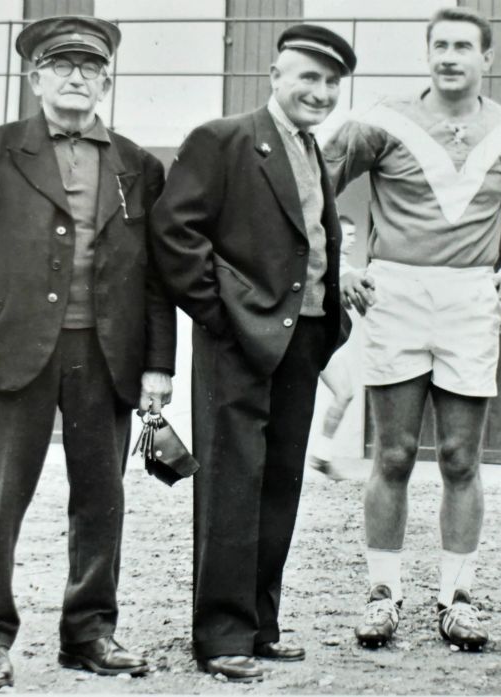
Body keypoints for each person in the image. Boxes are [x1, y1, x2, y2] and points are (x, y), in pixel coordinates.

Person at [0, 15, 175, 689]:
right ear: (34, 76)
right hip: (10, 350)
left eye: (91, 67)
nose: (77, 76)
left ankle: (90, 631)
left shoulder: (138, 163)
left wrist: (159, 364)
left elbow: (155, 276)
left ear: (107, 78)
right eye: (62, 64)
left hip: (109, 355)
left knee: (102, 499)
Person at [323, 5, 501, 652]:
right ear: (427, 53)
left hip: (469, 299)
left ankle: (458, 598)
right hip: (395, 290)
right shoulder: (382, 119)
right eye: (440, 45)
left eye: (463, 47)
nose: (450, 56)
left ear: (487, 58)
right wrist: (344, 262)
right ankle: (382, 594)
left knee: (460, 456)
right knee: (391, 454)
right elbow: (314, 184)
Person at [149, 24, 356, 682]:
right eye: (307, 78)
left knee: (279, 486)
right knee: (232, 488)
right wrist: (225, 316)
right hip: (239, 343)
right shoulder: (225, 139)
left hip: (304, 340)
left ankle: (261, 625)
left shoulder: (312, 150)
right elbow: (174, 235)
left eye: (331, 83)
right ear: (275, 76)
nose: (319, 92)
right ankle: (221, 636)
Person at [307, 214, 359, 481]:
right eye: (348, 235)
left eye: (354, 236)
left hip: (327, 342)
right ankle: (320, 456)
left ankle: (322, 455)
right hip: (314, 340)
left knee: (345, 393)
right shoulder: (328, 262)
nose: (352, 241)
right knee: (344, 392)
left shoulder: (342, 264)